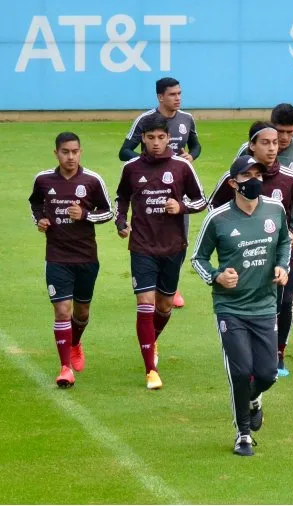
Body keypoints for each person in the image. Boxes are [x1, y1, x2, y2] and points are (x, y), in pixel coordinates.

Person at [191, 155, 291, 456]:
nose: (255, 180)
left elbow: (285, 242)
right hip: (231, 308)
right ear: (234, 183)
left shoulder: (276, 210)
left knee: (267, 373)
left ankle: (253, 399)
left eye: (258, 174)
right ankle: (243, 434)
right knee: (241, 370)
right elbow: (198, 258)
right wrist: (217, 276)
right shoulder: (218, 218)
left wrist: (282, 266)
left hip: (264, 304)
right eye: (247, 176)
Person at [115, 113, 207, 389]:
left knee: (165, 306)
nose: (156, 143)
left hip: (172, 246)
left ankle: (150, 341)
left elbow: (202, 199)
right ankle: (150, 369)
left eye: (161, 138)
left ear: (169, 138)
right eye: (151, 138)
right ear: (142, 138)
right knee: (145, 304)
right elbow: (121, 197)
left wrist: (182, 207)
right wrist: (121, 221)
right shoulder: (131, 168)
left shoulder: (181, 167)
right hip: (142, 245)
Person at [209, 122, 293, 377]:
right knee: (250, 298)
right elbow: (214, 209)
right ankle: (249, 353)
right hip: (245, 253)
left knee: (284, 299)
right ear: (252, 145)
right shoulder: (233, 177)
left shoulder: (292, 177)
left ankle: (278, 354)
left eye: (275, 142)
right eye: (265, 142)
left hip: (282, 251)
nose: (273, 147)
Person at [29, 132, 113, 387]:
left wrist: (85, 214)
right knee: (62, 311)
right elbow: (35, 204)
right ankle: (65, 367)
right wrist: (40, 220)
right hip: (56, 256)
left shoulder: (92, 180)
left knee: (81, 312)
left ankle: (76, 342)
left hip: (86, 257)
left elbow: (109, 212)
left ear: (81, 152)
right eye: (65, 152)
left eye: (75, 151)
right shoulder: (43, 180)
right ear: (56, 153)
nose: (70, 157)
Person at [120, 77, 201, 309]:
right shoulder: (144, 120)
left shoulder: (187, 119)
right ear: (160, 97)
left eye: (179, 93)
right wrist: (146, 163)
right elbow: (124, 151)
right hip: (149, 186)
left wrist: (191, 156)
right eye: (173, 94)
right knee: (148, 231)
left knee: (179, 238)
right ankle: (150, 282)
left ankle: (171, 285)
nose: (178, 98)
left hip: (177, 188)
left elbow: (196, 145)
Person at [235, 103, 293, 190]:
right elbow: (234, 180)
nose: (285, 137)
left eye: (290, 132)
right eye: (280, 131)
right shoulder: (248, 148)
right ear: (271, 125)